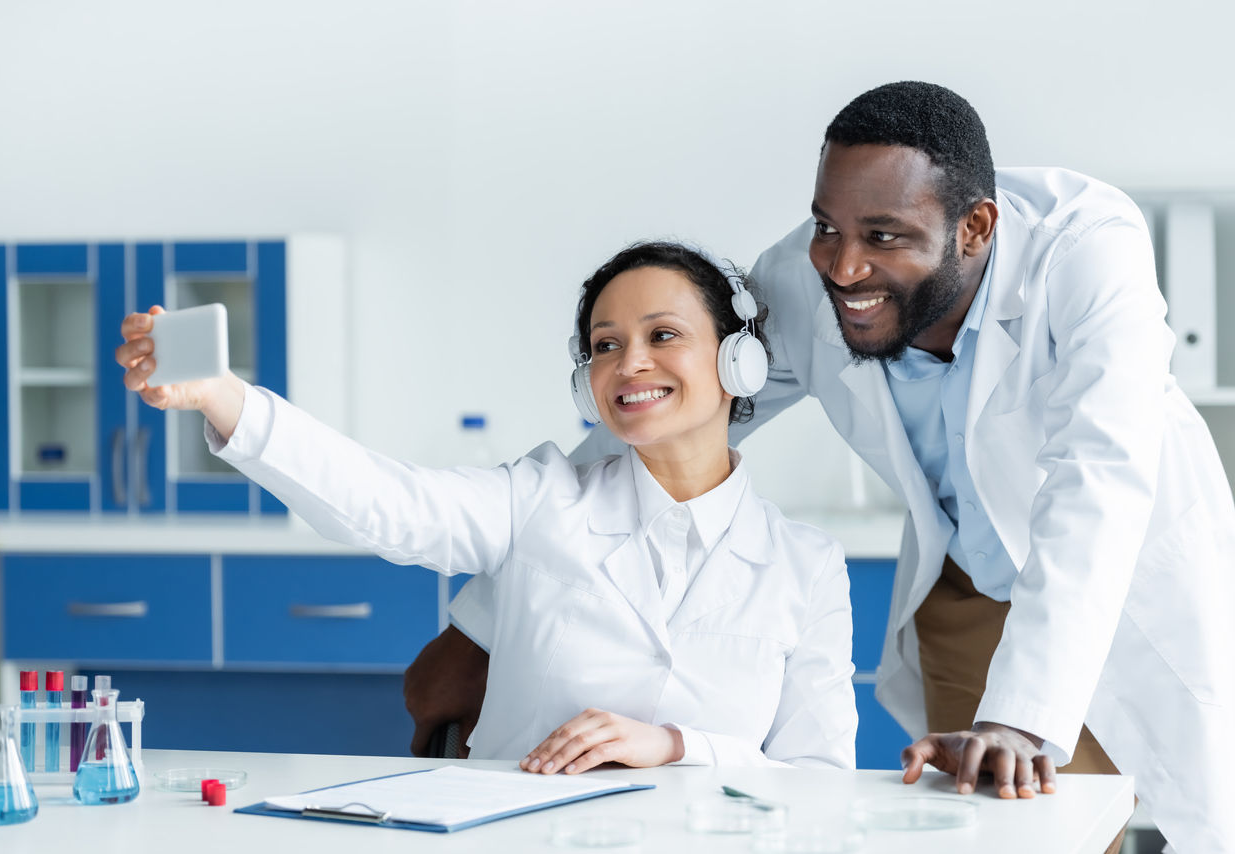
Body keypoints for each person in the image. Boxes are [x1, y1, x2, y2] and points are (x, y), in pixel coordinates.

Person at [410, 83, 1234, 852]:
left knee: (1187, 819)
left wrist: (1021, 719)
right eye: (826, 227)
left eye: (883, 237)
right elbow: (658, 421)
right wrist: (485, 620)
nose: (843, 268)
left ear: (976, 229)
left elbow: (1099, 477)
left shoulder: (1087, 252)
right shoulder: (801, 287)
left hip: (1129, 579)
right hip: (968, 586)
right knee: (992, 836)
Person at [115, 242, 858, 772]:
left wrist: (677, 746)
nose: (629, 364)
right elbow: (385, 504)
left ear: (740, 359)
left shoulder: (807, 566)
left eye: (663, 335)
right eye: (604, 345)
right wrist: (223, 397)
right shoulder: (540, 500)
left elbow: (819, 781)